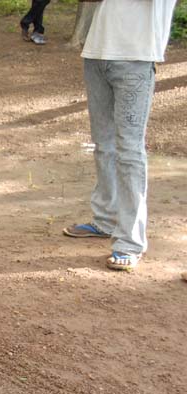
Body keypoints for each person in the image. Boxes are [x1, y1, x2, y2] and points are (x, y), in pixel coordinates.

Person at [63, 0, 178, 272]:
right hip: (97, 53)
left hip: (135, 58)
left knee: (129, 151)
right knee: (103, 145)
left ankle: (130, 242)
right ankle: (104, 220)